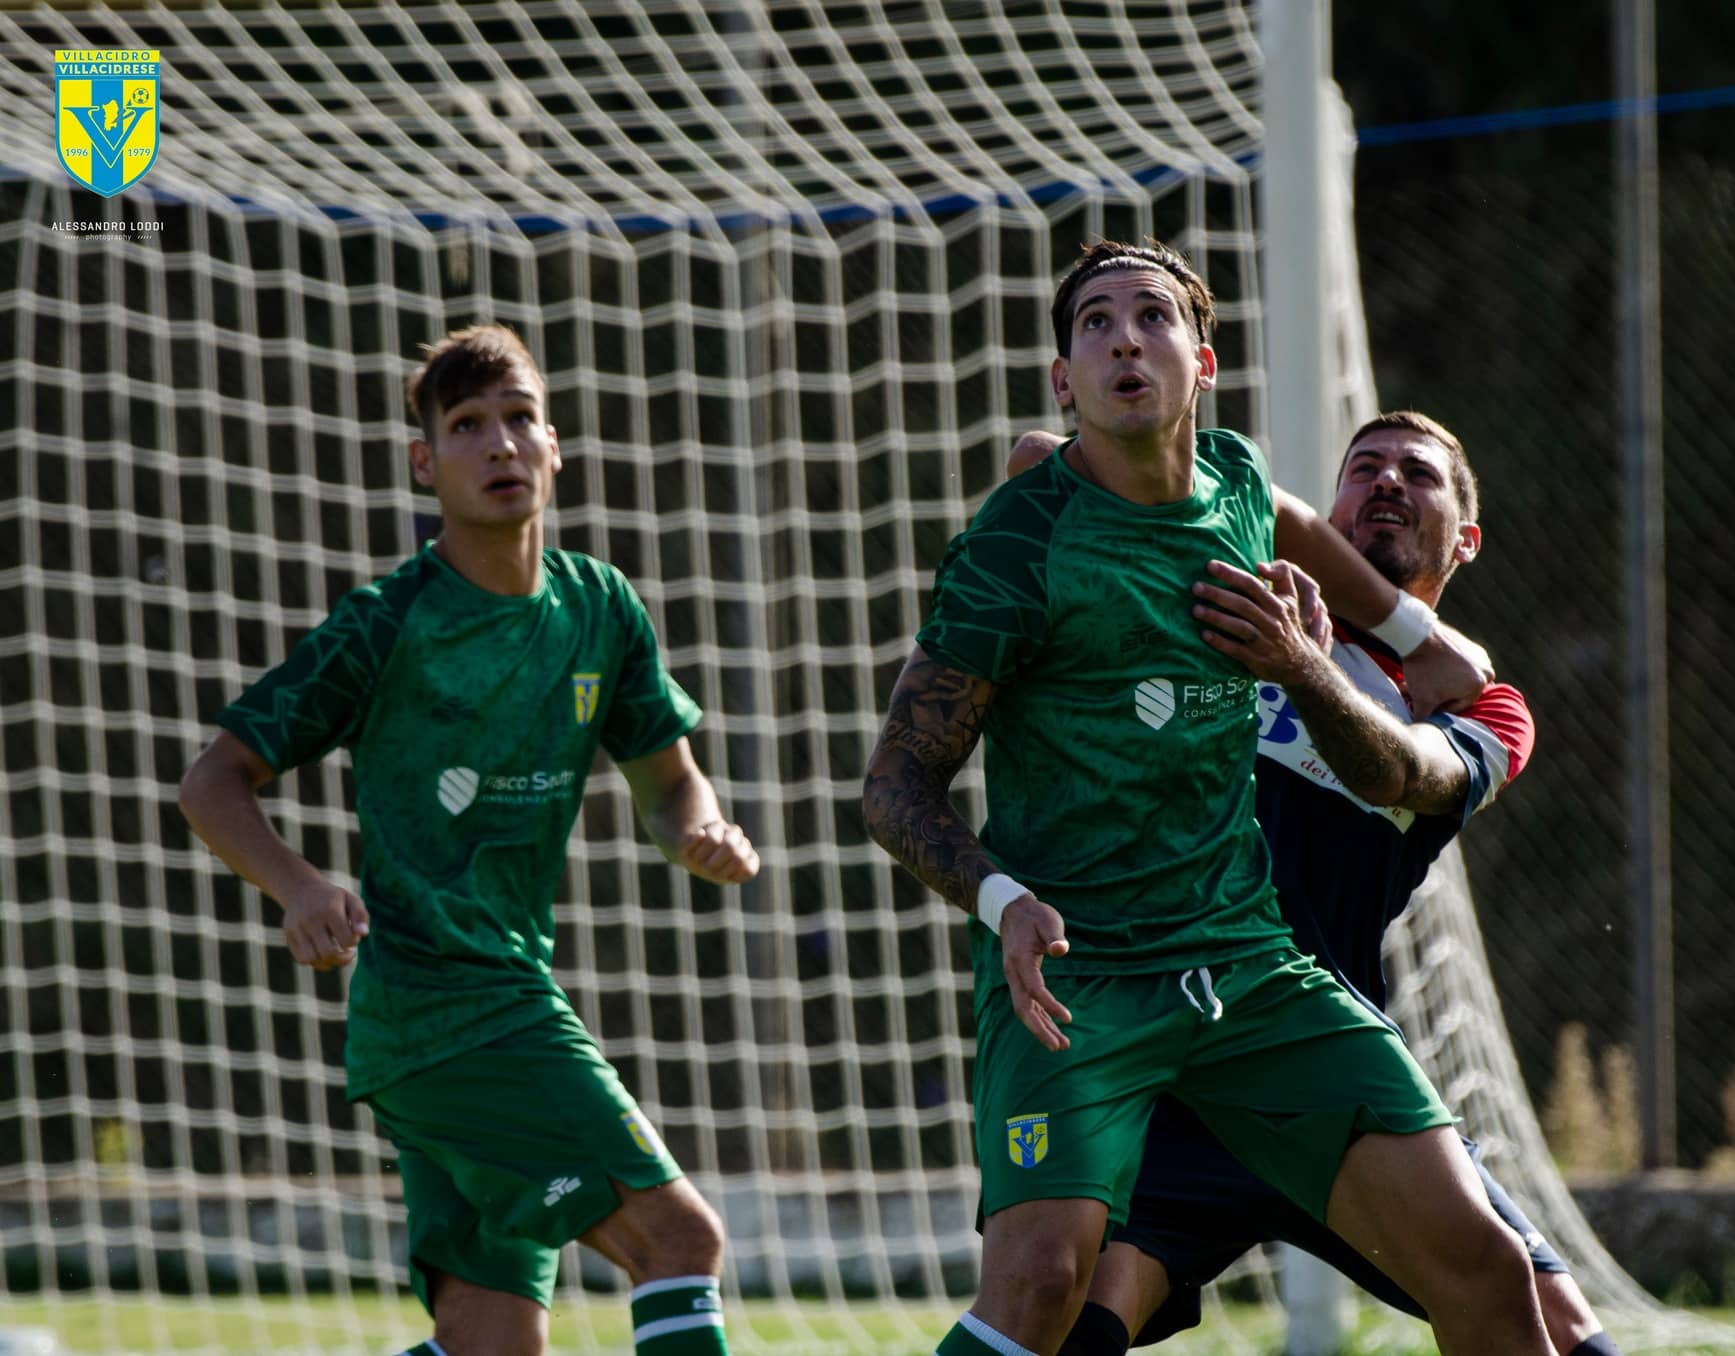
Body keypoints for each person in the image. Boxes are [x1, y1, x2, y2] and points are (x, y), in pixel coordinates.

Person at [862, 240, 1553, 1356]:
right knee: (1041, 1284)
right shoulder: (1015, 546)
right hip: (1082, 980)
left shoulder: (1233, 486)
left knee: (1486, 1265)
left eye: (1150, 317)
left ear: (1201, 361)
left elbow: (1278, 513)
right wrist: (1001, 900)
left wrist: (1407, 634)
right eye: (1093, 322)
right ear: (1063, 374)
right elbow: (894, 786)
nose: (1123, 337)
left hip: (1246, 967)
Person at [178, 325, 758, 1356]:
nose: (499, 444)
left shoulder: (601, 609)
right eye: (466, 426)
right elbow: (213, 781)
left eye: (519, 419)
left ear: (554, 445)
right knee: (679, 1240)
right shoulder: (387, 622)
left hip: (475, 1012)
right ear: (424, 461)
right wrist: (300, 886)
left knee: (492, 1341)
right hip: (445, 1012)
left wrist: (699, 830)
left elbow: (670, 785)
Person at [1011, 412, 1623, 1356]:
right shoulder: (1231, 582)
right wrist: (1399, 620)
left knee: (1547, 1323)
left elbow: (1400, 780)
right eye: (1363, 467)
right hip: (1168, 1057)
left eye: (1417, 474)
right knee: (1067, 1319)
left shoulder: (1479, 701)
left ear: (1466, 538)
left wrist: (1310, 665)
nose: (1384, 482)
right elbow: (1040, 457)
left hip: (1320, 1060)